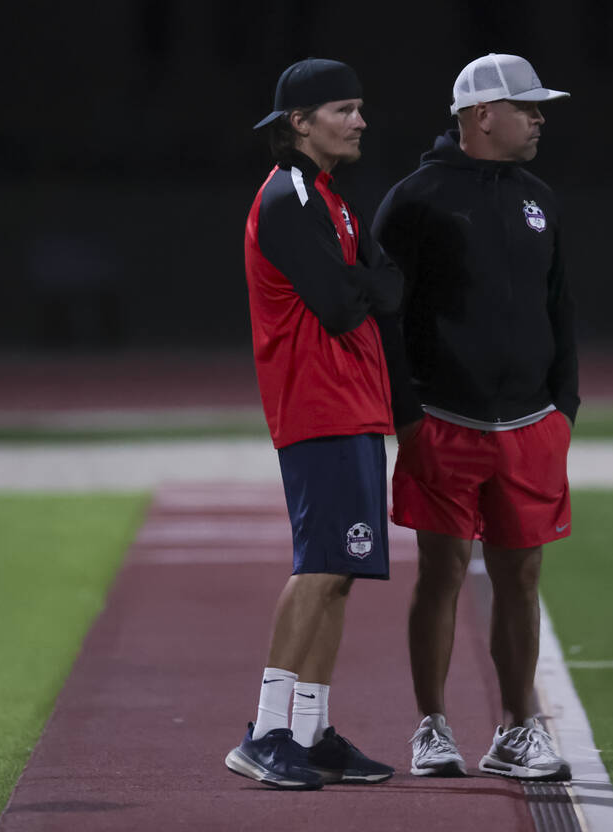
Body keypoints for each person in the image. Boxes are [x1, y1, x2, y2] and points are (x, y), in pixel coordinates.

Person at [373, 53, 579, 781]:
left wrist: (565, 407)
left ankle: (517, 729)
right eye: (527, 107)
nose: (539, 117)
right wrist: (405, 413)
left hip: (530, 424)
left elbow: (560, 309)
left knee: (521, 581)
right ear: (481, 115)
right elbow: (386, 319)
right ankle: (431, 727)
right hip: (445, 418)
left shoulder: (539, 198)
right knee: (442, 572)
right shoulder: (415, 200)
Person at [224, 57, 402, 790]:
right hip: (317, 403)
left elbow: (380, 287)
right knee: (321, 564)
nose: (360, 121)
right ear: (299, 122)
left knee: (342, 573)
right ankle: (265, 731)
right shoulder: (290, 193)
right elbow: (343, 300)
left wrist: (369, 283)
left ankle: (310, 728)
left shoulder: (330, 197)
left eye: (359, 107)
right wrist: (370, 282)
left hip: (352, 402)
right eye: (344, 109)